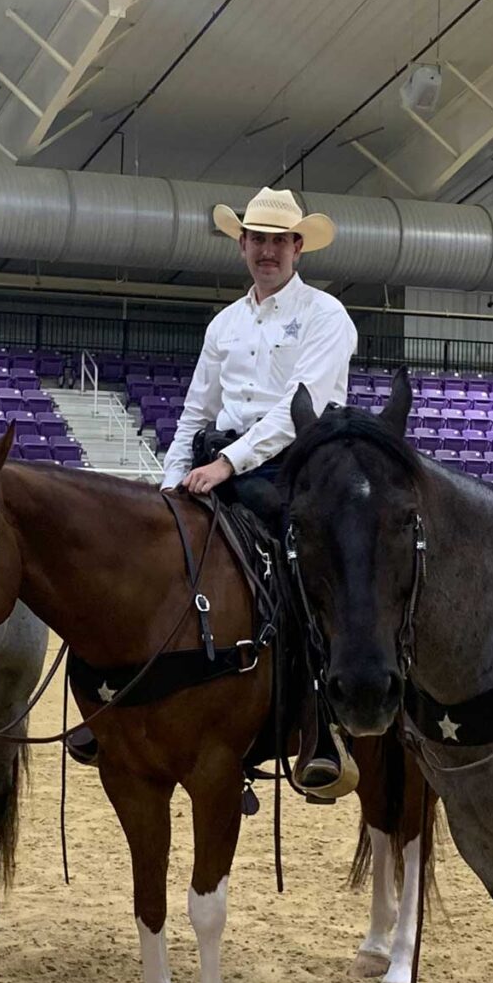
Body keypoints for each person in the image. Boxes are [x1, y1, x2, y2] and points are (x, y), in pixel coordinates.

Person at [159, 186, 359, 798]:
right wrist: (167, 490)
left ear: (298, 247)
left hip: (300, 465)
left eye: (279, 241)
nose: (267, 250)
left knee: (307, 570)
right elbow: (196, 411)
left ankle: (321, 720)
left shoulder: (326, 316)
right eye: (258, 239)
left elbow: (305, 405)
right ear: (242, 244)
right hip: (220, 460)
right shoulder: (225, 322)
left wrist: (229, 463)